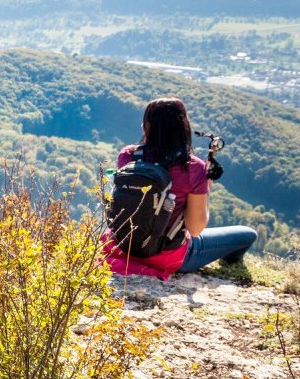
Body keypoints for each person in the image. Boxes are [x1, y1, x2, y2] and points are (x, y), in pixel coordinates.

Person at [104, 97, 258, 280]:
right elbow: (195, 229)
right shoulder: (193, 168)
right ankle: (232, 269)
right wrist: (206, 187)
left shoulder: (128, 155)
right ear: (183, 128)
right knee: (248, 235)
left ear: (145, 126)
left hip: (121, 246)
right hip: (166, 256)